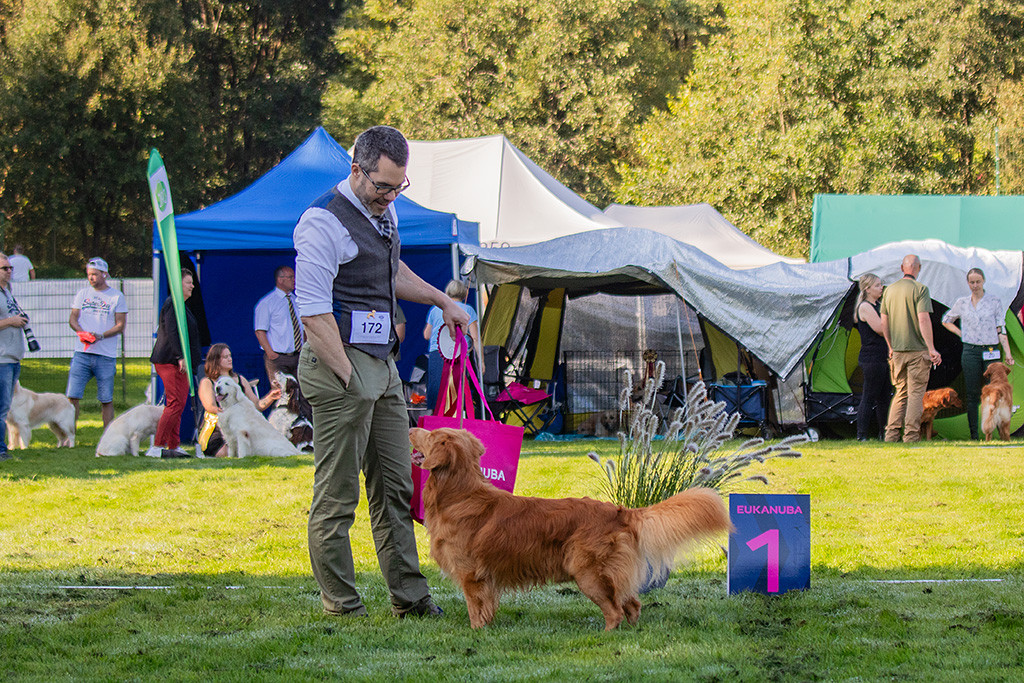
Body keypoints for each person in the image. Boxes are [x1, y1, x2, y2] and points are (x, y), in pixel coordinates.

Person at [293, 124, 470, 618]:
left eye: (398, 187)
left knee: (396, 487)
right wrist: (349, 378)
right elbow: (312, 312)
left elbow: (391, 272)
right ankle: (342, 604)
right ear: (356, 170)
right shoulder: (321, 222)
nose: (389, 196)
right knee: (338, 495)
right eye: (382, 187)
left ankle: (411, 601)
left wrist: (442, 300)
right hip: (339, 367)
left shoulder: (384, 212)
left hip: (383, 367)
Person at [941, 267, 1014, 440]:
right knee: (973, 392)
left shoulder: (994, 301)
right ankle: (974, 434)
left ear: (983, 282)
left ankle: (996, 431)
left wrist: (1009, 353)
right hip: (970, 350)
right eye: (972, 282)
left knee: (996, 390)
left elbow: (1000, 328)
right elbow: (946, 320)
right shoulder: (962, 302)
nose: (975, 285)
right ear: (968, 283)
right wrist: (961, 334)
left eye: (978, 282)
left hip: (990, 350)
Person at [880, 254, 942, 443]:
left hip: (897, 351)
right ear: (919, 268)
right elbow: (923, 319)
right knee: (916, 394)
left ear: (901, 268)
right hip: (918, 351)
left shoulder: (889, 290)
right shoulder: (921, 289)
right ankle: (911, 436)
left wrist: (890, 346)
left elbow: (885, 321)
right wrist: (931, 348)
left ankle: (891, 435)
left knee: (900, 392)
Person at [67, 257, 127, 427]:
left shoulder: (116, 296)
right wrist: (81, 332)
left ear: (104, 274)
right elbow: (73, 317)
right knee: (73, 395)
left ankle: (108, 435)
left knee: (106, 398)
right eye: (89, 274)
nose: (91, 278)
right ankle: (69, 435)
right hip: (82, 353)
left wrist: (100, 335)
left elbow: (120, 325)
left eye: (94, 274)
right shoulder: (82, 294)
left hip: (105, 355)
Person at [149, 270, 201, 457]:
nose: (192, 286)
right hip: (170, 361)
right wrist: (180, 356)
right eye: (188, 282)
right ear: (179, 284)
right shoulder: (172, 304)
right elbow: (171, 331)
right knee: (174, 403)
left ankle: (173, 445)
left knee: (179, 404)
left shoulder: (182, 306)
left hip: (180, 362)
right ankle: (157, 446)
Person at [197, 343, 280, 457]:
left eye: (230, 356)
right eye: (225, 357)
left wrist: (271, 397)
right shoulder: (207, 382)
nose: (230, 359)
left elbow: (256, 405)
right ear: (215, 360)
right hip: (217, 429)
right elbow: (210, 407)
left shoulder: (240, 380)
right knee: (226, 452)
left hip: (240, 427)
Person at [422, 279, 483, 411]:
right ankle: (456, 421)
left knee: (436, 389)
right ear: (463, 294)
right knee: (457, 390)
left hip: (437, 353)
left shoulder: (435, 309)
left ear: (447, 292)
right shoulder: (468, 310)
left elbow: (427, 335)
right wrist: (481, 362)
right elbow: (475, 338)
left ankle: (434, 421)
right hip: (459, 354)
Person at [853, 273, 891, 441]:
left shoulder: (879, 305)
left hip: (882, 357)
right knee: (869, 396)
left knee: (884, 397)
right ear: (867, 289)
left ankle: (884, 433)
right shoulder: (865, 307)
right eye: (877, 285)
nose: (881, 287)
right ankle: (861, 435)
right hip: (871, 358)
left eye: (881, 284)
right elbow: (879, 328)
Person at [254, 265, 305, 382]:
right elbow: (260, 331)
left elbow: (302, 326)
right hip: (279, 357)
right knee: (282, 393)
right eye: (291, 277)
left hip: (297, 355)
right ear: (280, 280)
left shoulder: (296, 300)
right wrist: (271, 354)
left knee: (302, 392)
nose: (294, 280)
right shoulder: (267, 303)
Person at [0, 253, 28, 461]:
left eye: (10, 268)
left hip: (12, 358)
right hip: (1, 359)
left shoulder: (7, 292)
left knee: (5, 407)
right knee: (1, 409)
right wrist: (11, 321)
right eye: (5, 269)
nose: (9, 271)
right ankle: (1, 450)